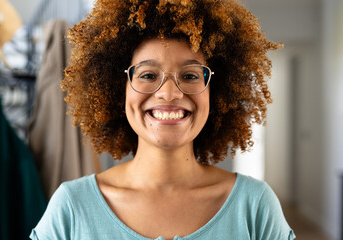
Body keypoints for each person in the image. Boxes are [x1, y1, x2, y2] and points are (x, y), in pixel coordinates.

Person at [30, 0, 295, 239]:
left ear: (217, 90)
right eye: (147, 75)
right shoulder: (72, 207)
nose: (169, 93)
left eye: (191, 75)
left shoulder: (255, 207)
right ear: (116, 87)